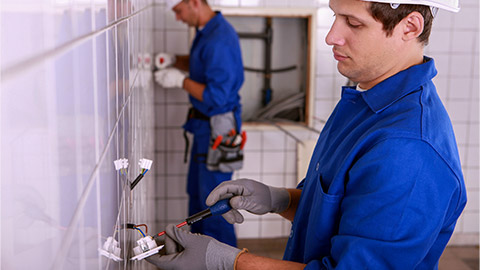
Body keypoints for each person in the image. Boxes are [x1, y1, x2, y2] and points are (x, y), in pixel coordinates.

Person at [147, 0, 467, 269]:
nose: (330, 36)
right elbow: (342, 210)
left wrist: (230, 262)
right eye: (334, 16)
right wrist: (280, 199)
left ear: (409, 28)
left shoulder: (408, 149)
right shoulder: (366, 102)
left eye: (352, 23)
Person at [154, 0, 244, 247]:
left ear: (193, 3)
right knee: (198, 197)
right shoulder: (207, 32)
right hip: (205, 127)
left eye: (178, 11)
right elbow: (202, 65)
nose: (178, 18)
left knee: (214, 203)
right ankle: (200, 255)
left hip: (218, 129)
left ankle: (223, 261)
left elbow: (218, 96)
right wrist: (174, 60)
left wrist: (180, 81)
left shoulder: (219, 39)